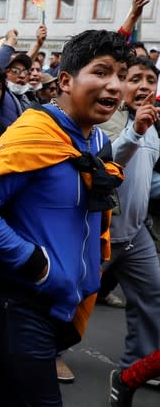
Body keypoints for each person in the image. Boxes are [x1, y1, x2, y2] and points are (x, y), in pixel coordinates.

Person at [0, 30, 131, 405]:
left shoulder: (98, 142)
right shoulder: (34, 134)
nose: (114, 86)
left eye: (121, 75)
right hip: (21, 300)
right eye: (101, 72)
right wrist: (36, 263)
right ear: (65, 81)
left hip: (63, 301)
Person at [102, 56, 160, 378]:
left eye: (150, 81)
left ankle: (139, 367)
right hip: (99, 230)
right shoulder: (105, 119)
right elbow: (107, 165)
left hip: (135, 234)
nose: (143, 87)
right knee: (73, 297)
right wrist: (134, 130)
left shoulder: (152, 127)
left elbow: (147, 181)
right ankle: (50, 354)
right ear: (121, 84)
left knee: (152, 295)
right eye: (135, 79)